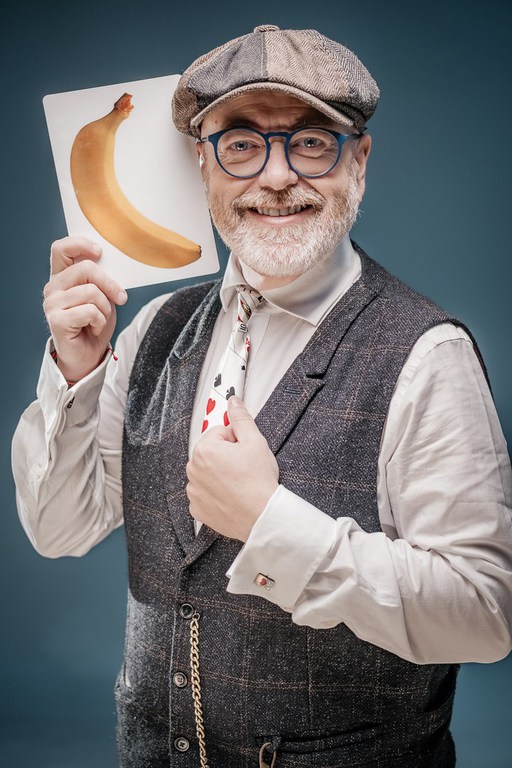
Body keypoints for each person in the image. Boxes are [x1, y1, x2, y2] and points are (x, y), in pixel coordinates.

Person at [12, 23, 512, 768]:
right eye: (241, 144)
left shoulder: (428, 355)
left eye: (311, 143)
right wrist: (77, 373)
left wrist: (271, 524)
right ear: (202, 165)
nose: (276, 176)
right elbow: (59, 530)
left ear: (359, 162)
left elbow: (485, 613)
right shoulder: (152, 329)